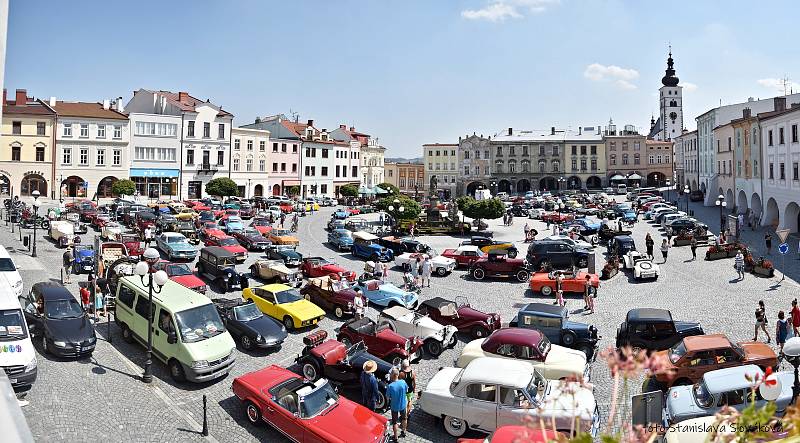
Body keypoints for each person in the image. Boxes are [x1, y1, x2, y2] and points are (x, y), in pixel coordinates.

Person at [386, 368, 409, 441]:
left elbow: (388, 397)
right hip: (402, 404)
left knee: (395, 422)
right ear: (398, 374)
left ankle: (395, 437)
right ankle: (404, 431)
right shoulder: (403, 382)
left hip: (394, 406)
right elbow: (406, 391)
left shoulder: (390, 386)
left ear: (392, 375)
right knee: (404, 418)